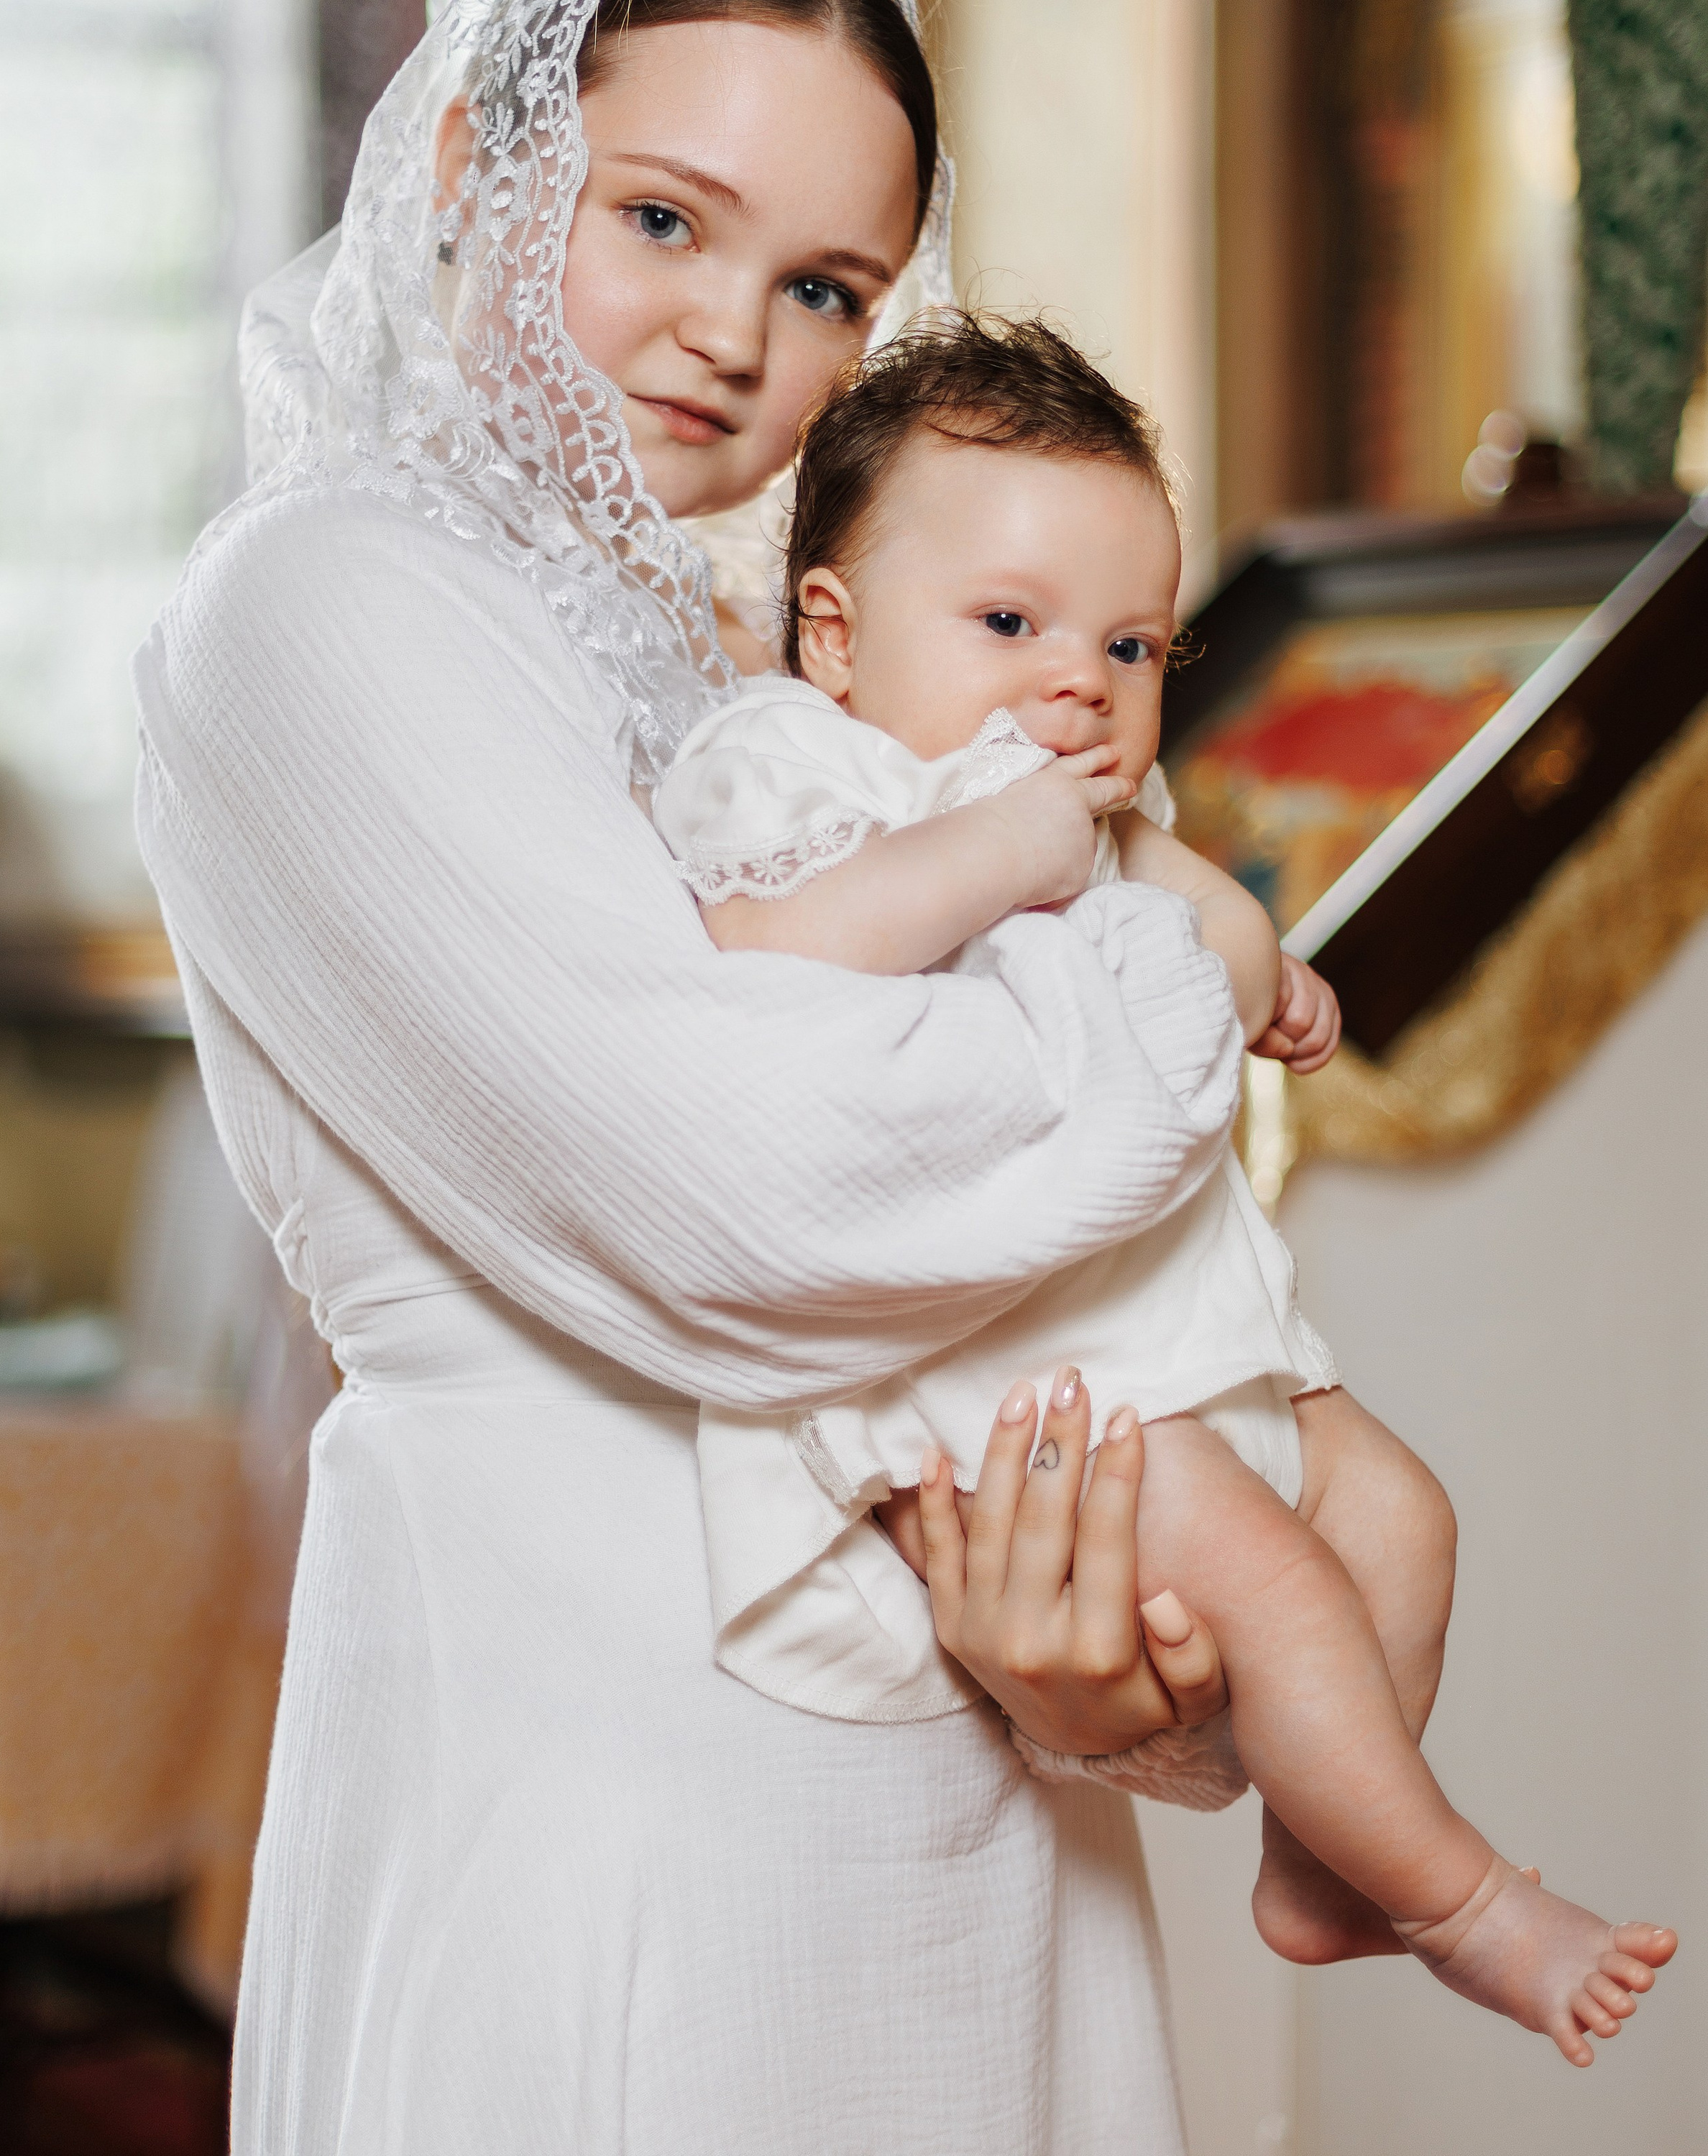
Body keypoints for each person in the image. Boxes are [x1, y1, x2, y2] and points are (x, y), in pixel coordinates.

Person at [137, 0, 1251, 2156]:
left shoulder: (761, 667)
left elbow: (1044, 1286)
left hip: (964, 1804)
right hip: (616, 1808)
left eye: (828, 286)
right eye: (663, 214)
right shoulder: (327, 598)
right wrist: (1181, 971)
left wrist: (1115, 1677)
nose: (736, 335)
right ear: (477, 156)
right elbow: (756, 1181)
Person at [656, 312, 1678, 2069]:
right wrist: (992, 852)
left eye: (1129, 644)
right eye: (1008, 625)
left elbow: (1196, 914)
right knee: (1278, 1589)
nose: (1080, 683)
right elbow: (757, 956)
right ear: (829, 635)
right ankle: (1462, 1904)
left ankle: (1319, 1859)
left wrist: (1259, 967)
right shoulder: (796, 772)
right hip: (1016, 1377)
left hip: (1177, 1332)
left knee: (1406, 1520)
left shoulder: (1097, 806)